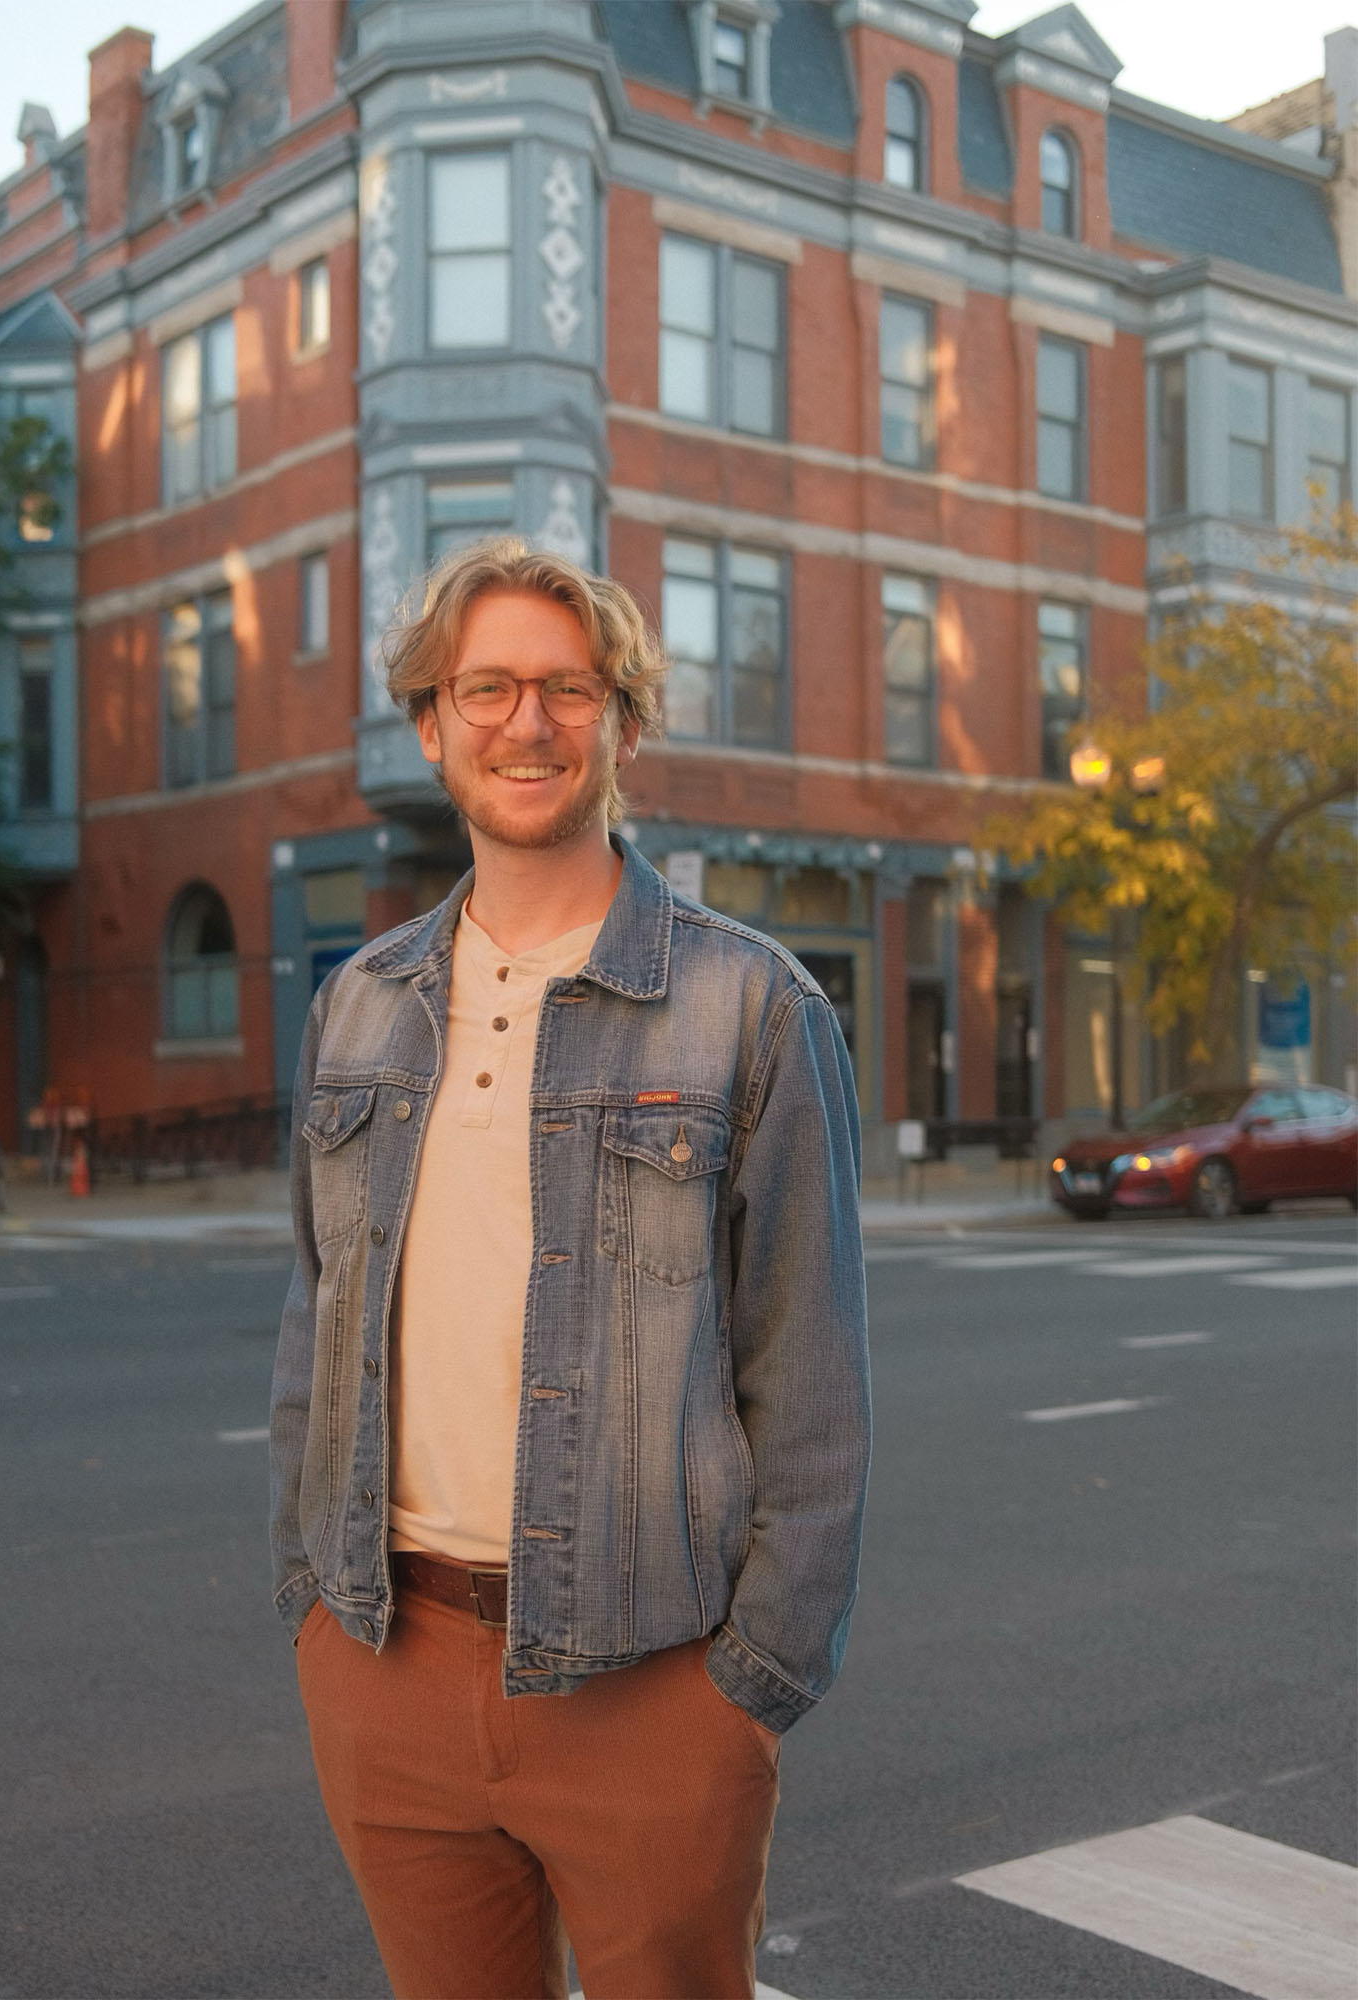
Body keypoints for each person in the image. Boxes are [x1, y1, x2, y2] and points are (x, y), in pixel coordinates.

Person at [270, 539, 870, 2000]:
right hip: (389, 1666)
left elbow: (811, 1390)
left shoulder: (751, 1008)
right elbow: (313, 1327)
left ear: (622, 724)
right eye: (485, 688)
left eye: (565, 688)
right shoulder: (358, 1006)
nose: (524, 723)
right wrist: (312, 1613)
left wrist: (748, 1692)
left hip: (651, 1689)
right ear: (431, 724)